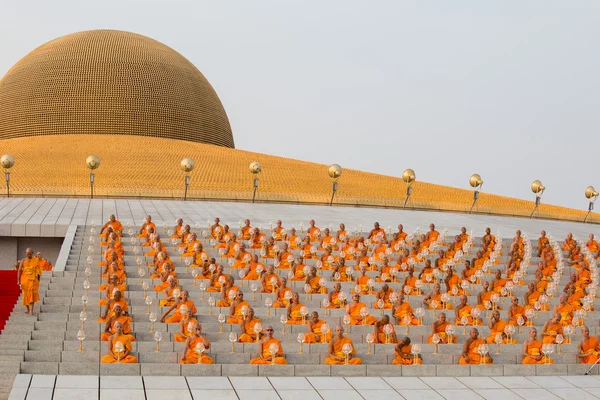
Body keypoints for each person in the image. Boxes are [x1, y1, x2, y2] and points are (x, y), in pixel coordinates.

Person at [17, 248, 41, 315]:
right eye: (27, 254)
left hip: (33, 280)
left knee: (32, 294)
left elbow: (38, 271)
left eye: (30, 254)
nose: (29, 255)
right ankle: (28, 309)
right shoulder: (23, 260)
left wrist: (38, 280)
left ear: (32, 253)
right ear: (26, 253)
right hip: (25, 280)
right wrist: (18, 280)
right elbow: (19, 271)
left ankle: (31, 310)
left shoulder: (36, 260)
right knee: (25, 295)